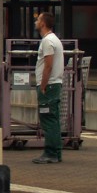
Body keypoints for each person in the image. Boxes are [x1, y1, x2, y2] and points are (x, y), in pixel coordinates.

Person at [33, 11, 64, 163]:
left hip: (49, 86)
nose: (36, 22)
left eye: (38, 19)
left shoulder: (47, 41)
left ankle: (50, 153)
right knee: (53, 119)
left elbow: (48, 65)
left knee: (48, 118)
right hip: (54, 84)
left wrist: (43, 85)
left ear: (43, 23)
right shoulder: (55, 39)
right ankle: (56, 152)